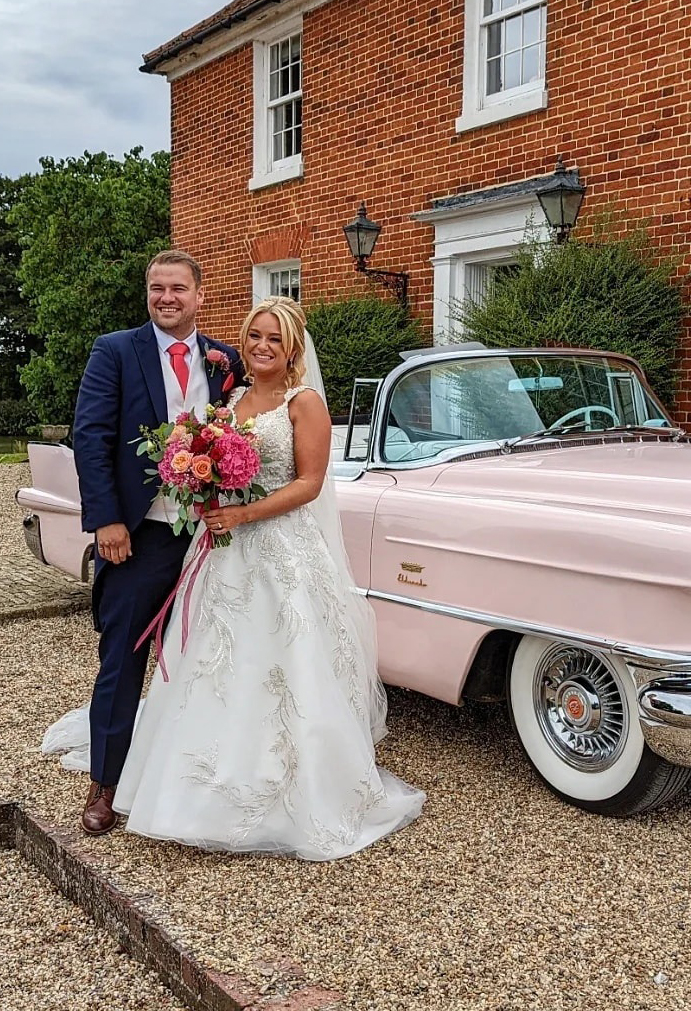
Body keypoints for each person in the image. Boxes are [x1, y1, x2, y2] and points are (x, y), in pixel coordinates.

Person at [49, 296, 424, 860]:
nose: (263, 347)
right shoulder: (228, 400)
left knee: (283, 664)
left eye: (275, 339)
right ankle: (171, 778)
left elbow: (310, 483)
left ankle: (288, 783)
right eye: (255, 337)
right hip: (220, 550)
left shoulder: (306, 403)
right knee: (211, 662)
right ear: (241, 343)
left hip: (280, 551)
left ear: (294, 346)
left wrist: (242, 513)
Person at [70, 250, 243, 836]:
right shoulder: (115, 351)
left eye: (177, 289)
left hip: (209, 536)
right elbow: (90, 437)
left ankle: (194, 778)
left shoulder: (227, 362)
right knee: (123, 657)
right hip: (138, 535)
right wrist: (106, 521)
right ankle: (105, 783)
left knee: (208, 658)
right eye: (156, 289)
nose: (166, 298)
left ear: (199, 294)